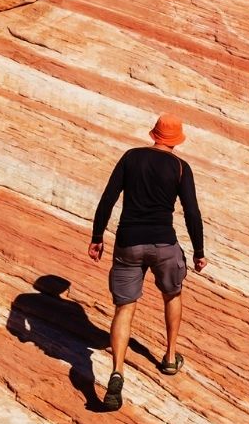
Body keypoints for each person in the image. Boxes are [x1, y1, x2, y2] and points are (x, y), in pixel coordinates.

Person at [88, 114, 207, 409]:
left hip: (129, 242)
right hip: (164, 243)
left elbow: (108, 199)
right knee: (172, 294)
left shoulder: (132, 157)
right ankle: (169, 357)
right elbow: (192, 212)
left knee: (125, 308)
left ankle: (117, 371)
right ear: (177, 140)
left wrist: (97, 236)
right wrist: (198, 251)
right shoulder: (181, 167)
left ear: (154, 134)